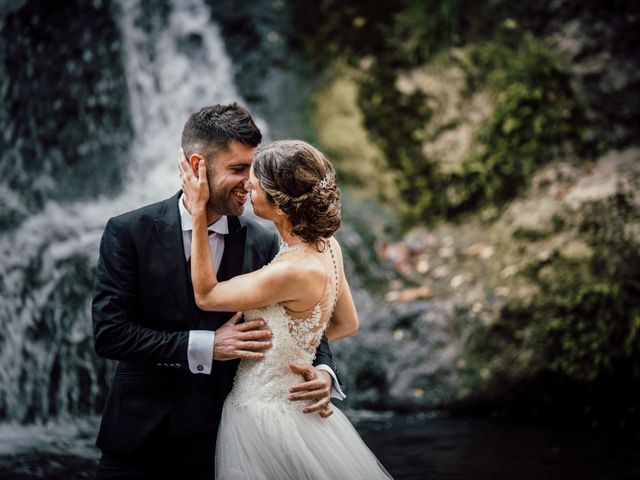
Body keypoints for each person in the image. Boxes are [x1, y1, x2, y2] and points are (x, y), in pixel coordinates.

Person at [92, 103, 342, 479]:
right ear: (198, 167)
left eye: (254, 168)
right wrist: (207, 346)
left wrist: (323, 370)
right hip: (140, 437)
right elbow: (110, 334)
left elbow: (302, 317)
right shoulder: (129, 232)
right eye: (238, 169)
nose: (251, 182)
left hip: (228, 442)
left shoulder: (264, 241)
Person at [179, 139, 393, 479]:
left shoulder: (290, 270)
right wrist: (297, 355)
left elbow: (206, 294)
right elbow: (347, 323)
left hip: (261, 416)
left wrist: (198, 210)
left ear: (279, 207)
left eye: (257, 183)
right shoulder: (328, 246)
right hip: (297, 408)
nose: (247, 184)